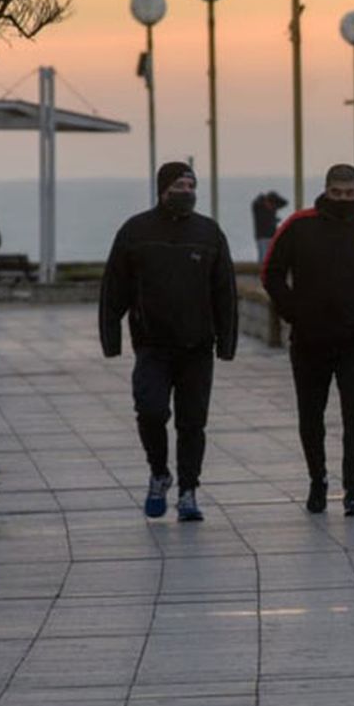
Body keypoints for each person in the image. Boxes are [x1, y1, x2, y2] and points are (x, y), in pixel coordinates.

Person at [99, 162, 238, 522]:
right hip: (152, 346)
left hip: (197, 348)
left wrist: (227, 342)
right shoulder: (136, 231)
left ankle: (189, 491)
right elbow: (114, 287)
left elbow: (225, 291)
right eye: (179, 184)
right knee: (151, 410)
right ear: (163, 189)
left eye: (191, 184)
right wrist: (110, 338)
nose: (186, 191)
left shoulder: (209, 233)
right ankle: (159, 473)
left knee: (192, 422)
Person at [262, 164, 354, 516]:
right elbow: (271, 273)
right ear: (326, 190)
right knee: (311, 416)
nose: (342, 200)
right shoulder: (298, 226)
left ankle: (353, 491)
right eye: (336, 193)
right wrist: (293, 312)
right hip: (309, 340)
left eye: (349, 194)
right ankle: (317, 481)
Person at [251, 190, 288, 262]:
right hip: (262, 237)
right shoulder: (258, 208)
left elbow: (285, 203)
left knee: (272, 258)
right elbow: (255, 203)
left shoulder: (273, 208)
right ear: (266, 201)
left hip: (272, 236)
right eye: (272, 204)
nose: (273, 207)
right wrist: (263, 198)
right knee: (263, 259)